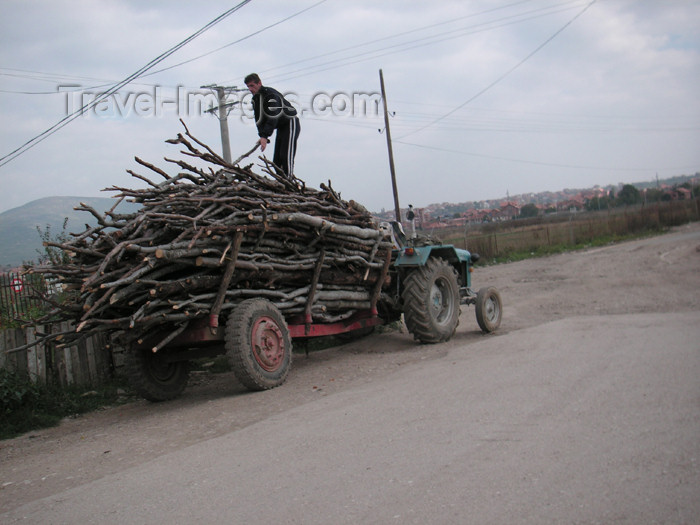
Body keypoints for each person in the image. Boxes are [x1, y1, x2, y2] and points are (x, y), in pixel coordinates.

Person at [244, 73, 300, 178]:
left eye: (252, 85)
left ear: (259, 83)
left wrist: (265, 136)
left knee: (285, 156)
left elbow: (273, 115)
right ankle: (281, 181)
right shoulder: (255, 100)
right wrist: (262, 135)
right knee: (277, 161)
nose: (250, 89)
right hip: (280, 127)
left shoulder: (270, 95)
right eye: (248, 87)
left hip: (290, 122)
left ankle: (289, 182)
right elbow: (259, 120)